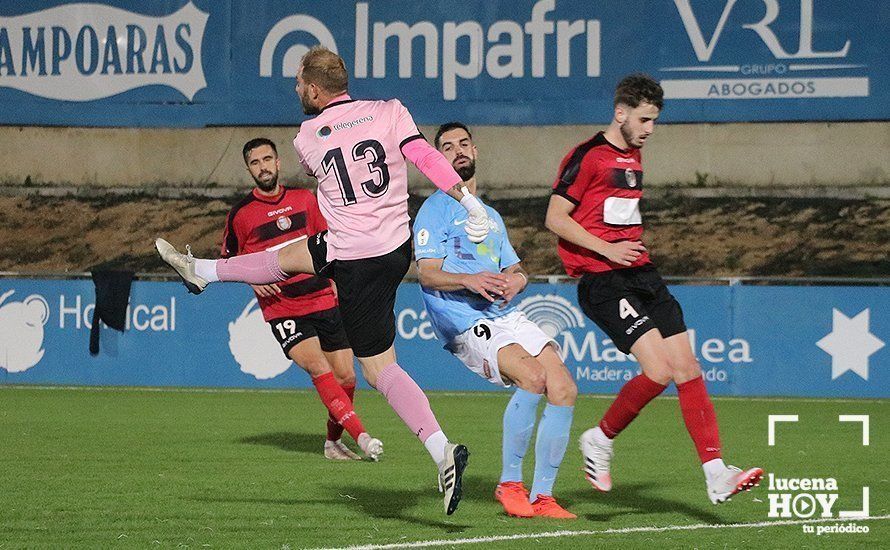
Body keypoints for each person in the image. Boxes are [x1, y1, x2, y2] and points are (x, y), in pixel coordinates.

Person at [155, 46, 492, 515]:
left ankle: (441, 451)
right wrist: (467, 201)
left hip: (355, 259)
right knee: (290, 256)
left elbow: (333, 172)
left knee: (379, 370)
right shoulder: (390, 110)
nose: (296, 90)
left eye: (298, 84)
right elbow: (422, 156)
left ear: (313, 89)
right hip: (393, 248)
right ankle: (203, 271)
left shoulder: (307, 137)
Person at [544, 73, 763, 504]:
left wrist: (625, 248)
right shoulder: (587, 156)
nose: (649, 129)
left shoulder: (634, 156)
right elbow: (555, 218)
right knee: (659, 370)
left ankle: (716, 473)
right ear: (620, 113)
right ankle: (600, 439)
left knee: (688, 368)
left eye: (654, 121)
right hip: (602, 280)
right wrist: (608, 250)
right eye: (644, 120)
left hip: (642, 274)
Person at [414, 122, 577, 519]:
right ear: (438, 162)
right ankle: (509, 485)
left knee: (564, 387)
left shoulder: (489, 215)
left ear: (476, 150)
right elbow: (427, 273)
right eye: (447, 148)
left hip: (504, 312)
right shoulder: (433, 209)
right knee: (532, 378)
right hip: (464, 320)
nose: (458, 152)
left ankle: (543, 497)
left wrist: (517, 282)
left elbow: (517, 268)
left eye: (464, 144)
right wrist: (469, 279)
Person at [224, 137, 379, 461]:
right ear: (248, 169)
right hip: (284, 308)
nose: (263, 166)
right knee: (317, 366)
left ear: (278, 163)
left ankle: (332, 442)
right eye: (255, 162)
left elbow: (328, 242)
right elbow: (228, 261)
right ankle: (362, 436)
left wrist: (337, 279)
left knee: (347, 377)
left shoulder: (305, 200)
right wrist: (252, 280)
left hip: (322, 297)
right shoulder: (241, 215)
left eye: (267, 159)